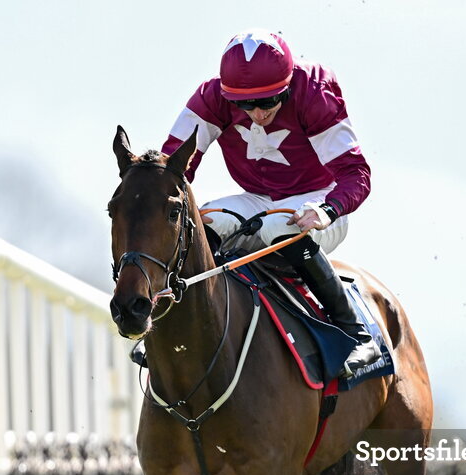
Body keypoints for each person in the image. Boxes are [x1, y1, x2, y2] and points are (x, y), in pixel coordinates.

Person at [162, 28, 380, 376]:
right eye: (244, 104)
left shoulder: (313, 93)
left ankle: (356, 332)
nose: (257, 113)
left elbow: (357, 174)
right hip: (257, 198)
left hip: (317, 199)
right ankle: (177, 325)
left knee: (278, 227)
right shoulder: (211, 97)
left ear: (289, 86)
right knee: (203, 222)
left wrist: (327, 210)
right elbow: (172, 167)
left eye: (267, 101)